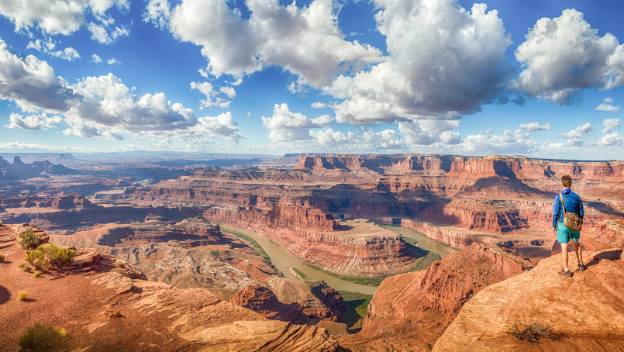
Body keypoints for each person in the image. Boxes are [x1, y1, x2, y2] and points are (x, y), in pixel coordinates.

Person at [552, 174, 586, 277]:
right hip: (574, 224)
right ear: (570, 183)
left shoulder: (559, 197)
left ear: (562, 183)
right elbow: (581, 212)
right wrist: (577, 221)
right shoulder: (577, 196)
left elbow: (555, 213)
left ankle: (566, 270)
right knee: (576, 243)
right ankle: (580, 264)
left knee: (564, 246)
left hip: (563, 224)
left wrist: (554, 224)